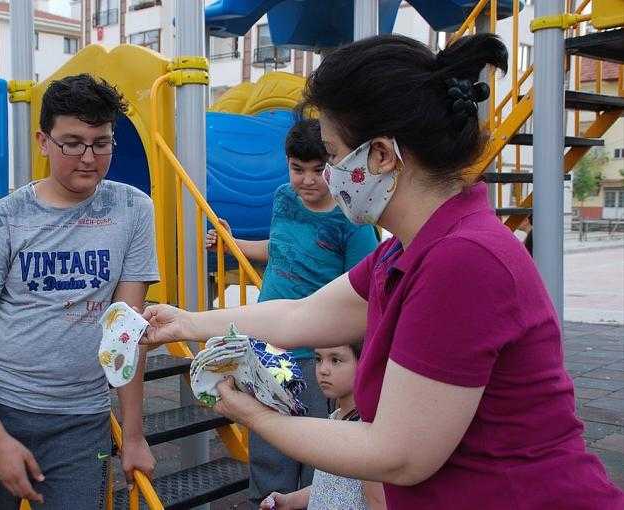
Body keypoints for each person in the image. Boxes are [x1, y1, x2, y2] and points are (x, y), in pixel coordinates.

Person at [141, 34, 624, 509]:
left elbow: (396, 455)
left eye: (331, 156)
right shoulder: (409, 249)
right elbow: (298, 317)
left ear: (380, 155)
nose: (327, 176)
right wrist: (185, 323)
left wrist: (253, 415)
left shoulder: (463, 260)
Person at [0, 74, 158, 509]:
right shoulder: (5, 219)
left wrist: (133, 436)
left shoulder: (133, 209)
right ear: (43, 141)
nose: (88, 158)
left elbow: (126, 334)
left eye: (101, 142)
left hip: (79, 420)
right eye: (71, 143)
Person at [206, 118, 378, 507]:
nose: (307, 180)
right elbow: (281, 247)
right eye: (297, 169)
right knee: (267, 448)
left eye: (319, 170)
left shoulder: (352, 222)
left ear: (335, 165)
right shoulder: (284, 197)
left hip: (316, 357)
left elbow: (366, 295)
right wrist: (234, 243)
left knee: (312, 453)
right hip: (268, 350)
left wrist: (345, 360)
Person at [260, 344, 386, 510]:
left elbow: (379, 503)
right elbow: (331, 485)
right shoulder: (336, 417)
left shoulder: (366, 432)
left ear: (365, 363)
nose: (323, 370)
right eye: (318, 359)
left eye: (335, 360)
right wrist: (291, 500)